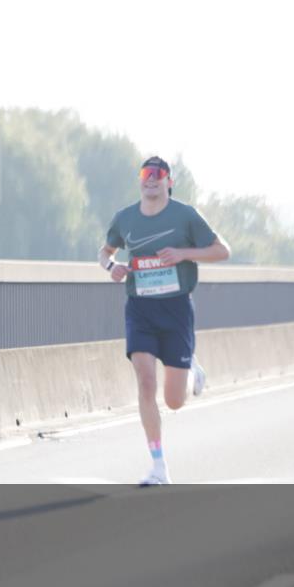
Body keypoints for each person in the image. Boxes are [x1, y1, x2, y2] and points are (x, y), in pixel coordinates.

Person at [99, 156, 231, 486]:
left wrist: (184, 254)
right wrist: (110, 267)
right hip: (140, 308)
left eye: (159, 175)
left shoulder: (185, 216)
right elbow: (105, 252)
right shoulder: (125, 218)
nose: (151, 179)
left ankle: (192, 370)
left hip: (176, 309)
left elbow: (222, 250)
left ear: (169, 182)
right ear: (140, 180)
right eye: (146, 174)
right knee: (145, 382)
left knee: (174, 401)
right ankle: (159, 466)